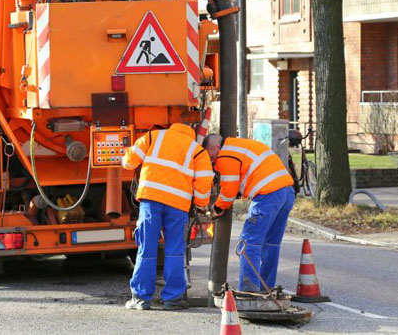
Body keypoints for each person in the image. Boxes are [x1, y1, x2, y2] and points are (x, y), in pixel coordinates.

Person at [121, 123, 214, 310]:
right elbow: (204, 182)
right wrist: (200, 204)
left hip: (151, 199)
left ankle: (140, 299)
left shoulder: (153, 136)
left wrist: (125, 158)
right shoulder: (197, 151)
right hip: (178, 205)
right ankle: (172, 299)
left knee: (146, 248)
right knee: (174, 251)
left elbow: (129, 161)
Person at [203, 134, 295, 292]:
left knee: (249, 242)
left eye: (210, 156)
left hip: (268, 195)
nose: (211, 160)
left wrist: (216, 209)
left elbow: (228, 191)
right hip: (286, 192)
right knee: (271, 243)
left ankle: (249, 290)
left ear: (216, 148)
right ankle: (266, 287)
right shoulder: (242, 145)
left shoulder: (226, 154)